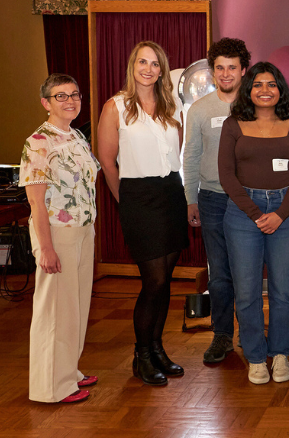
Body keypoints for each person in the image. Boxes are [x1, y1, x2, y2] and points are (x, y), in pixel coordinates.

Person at [97, 41, 189, 386]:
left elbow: (178, 154)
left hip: (170, 194)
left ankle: (158, 349)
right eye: (142, 62)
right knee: (152, 282)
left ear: (162, 70)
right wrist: (127, 202)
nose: (148, 69)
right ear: (132, 65)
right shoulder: (116, 107)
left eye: (155, 64)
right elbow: (107, 161)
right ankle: (141, 355)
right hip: (137, 196)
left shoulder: (170, 106)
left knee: (164, 282)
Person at [218, 62, 289, 385]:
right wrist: (257, 214)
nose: (265, 90)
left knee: (284, 291)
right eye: (258, 85)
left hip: (286, 212)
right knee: (247, 292)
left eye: (272, 84)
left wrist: (280, 213)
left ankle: (281, 353)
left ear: (281, 89)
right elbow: (226, 175)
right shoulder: (233, 125)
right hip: (243, 214)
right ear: (249, 89)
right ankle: (256, 357)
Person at [21, 74, 100, 403]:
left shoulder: (76, 136)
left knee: (76, 306)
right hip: (56, 233)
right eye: (60, 96)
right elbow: (37, 202)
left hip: (82, 230)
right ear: (46, 102)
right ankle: (51, 388)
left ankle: (69, 372)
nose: (70, 101)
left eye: (74, 95)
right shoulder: (38, 142)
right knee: (55, 310)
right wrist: (47, 248)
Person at [183, 37, 250, 364]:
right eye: (220, 68)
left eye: (232, 68)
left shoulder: (256, 105)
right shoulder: (199, 110)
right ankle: (223, 335)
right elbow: (191, 155)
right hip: (211, 200)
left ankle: (251, 335)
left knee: (248, 273)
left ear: (243, 69)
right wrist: (189, 198)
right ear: (212, 71)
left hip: (251, 200)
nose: (226, 74)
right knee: (220, 274)